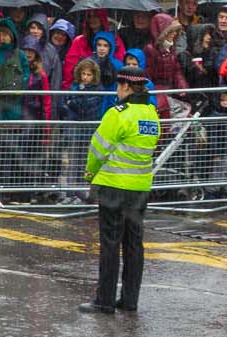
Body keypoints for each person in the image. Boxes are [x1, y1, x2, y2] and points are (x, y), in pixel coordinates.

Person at [81, 60, 159, 317]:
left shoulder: (117, 114)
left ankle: (104, 300)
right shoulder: (151, 115)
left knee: (110, 244)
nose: (117, 89)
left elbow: (98, 148)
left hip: (114, 186)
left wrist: (90, 173)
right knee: (134, 244)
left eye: (119, 84)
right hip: (140, 186)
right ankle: (129, 300)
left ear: (126, 86)